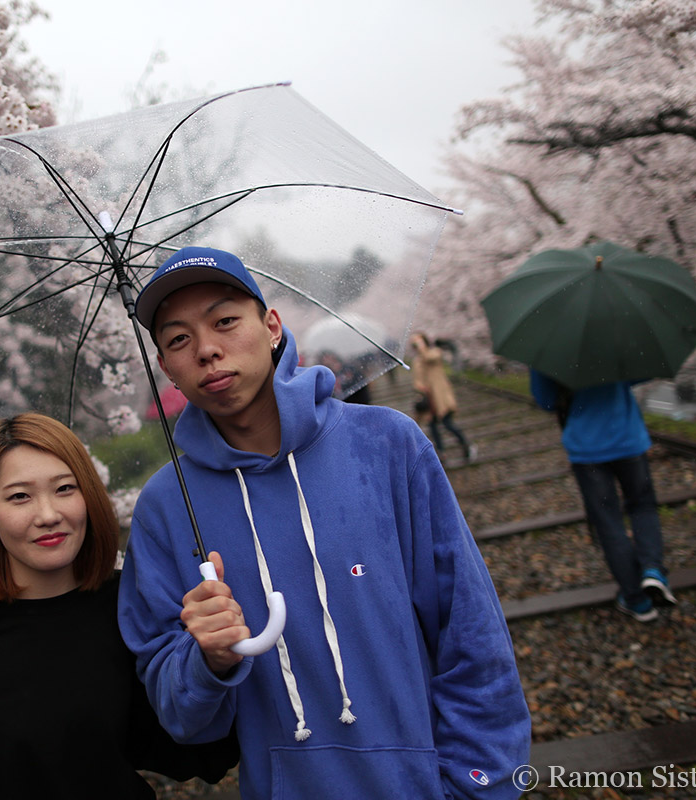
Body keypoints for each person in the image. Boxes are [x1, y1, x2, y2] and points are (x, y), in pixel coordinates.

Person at [117, 247, 530, 800]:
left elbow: (470, 633)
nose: (208, 350)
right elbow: (184, 720)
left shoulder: (387, 444)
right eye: (178, 340)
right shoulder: (167, 506)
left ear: (271, 327)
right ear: (166, 369)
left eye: (224, 322)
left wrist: (480, 783)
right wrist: (208, 659)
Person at [0, 412, 237, 799]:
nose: (48, 515)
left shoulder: (127, 610)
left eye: (65, 489)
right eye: (19, 496)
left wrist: (210, 661)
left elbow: (199, 754)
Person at [530, 370, 677, 622]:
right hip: (629, 438)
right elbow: (638, 373)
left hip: (587, 450)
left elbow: (545, 400)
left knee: (608, 522)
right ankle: (652, 570)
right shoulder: (611, 333)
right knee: (642, 506)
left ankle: (636, 600)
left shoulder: (547, 349)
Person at [410, 331, 477, 463]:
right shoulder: (416, 361)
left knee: (447, 423)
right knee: (433, 426)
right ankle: (441, 453)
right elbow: (417, 379)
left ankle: (466, 445)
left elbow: (430, 358)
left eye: (419, 341)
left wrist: (423, 349)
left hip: (440, 397)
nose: (417, 345)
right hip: (429, 399)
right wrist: (420, 387)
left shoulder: (434, 352)